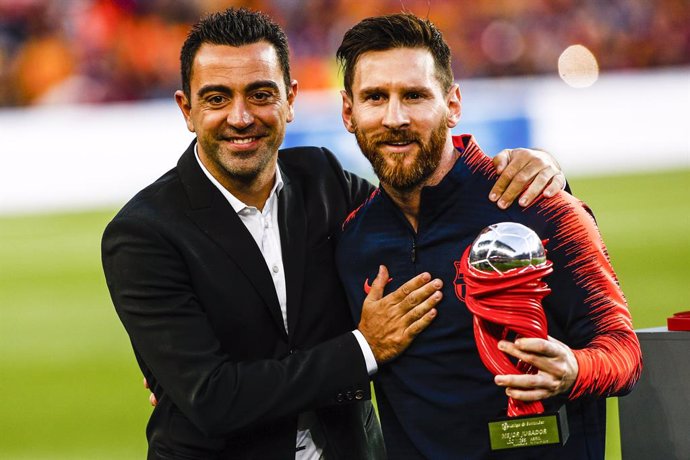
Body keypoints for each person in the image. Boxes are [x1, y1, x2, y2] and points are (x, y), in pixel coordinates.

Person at [102, 8, 565, 459]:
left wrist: (542, 171)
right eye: (217, 98)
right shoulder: (142, 235)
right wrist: (365, 347)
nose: (241, 117)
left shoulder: (324, 182)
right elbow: (215, 400)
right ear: (187, 108)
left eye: (261, 94)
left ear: (290, 100)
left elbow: (437, 219)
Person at [334, 13, 643, 460]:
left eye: (415, 96)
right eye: (375, 98)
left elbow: (624, 352)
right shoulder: (353, 239)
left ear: (453, 104)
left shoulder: (540, 205)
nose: (395, 117)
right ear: (349, 112)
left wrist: (575, 369)